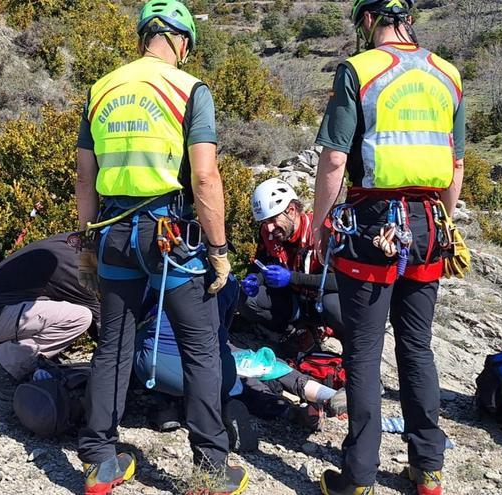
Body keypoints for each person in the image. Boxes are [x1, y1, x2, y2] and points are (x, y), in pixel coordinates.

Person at [74, 1, 246, 493]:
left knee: (113, 347)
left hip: (113, 233)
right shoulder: (190, 90)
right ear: (182, 41)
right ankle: (212, 468)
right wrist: (218, 248)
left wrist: (88, 243)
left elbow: (86, 179)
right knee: (200, 347)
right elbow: (206, 176)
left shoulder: (101, 89)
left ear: (144, 36)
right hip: (171, 236)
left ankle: (100, 461)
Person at [312, 1, 465, 494]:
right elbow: (455, 166)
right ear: (409, 20)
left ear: (367, 21)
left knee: (363, 352)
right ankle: (428, 467)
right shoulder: (448, 73)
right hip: (427, 225)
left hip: (372, 225)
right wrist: (443, 222)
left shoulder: (359, 70)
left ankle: (358, 476)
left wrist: (319, 223)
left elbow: (336, 158)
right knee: (417, 347)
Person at [134, 275, 347, 436]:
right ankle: (326, 396)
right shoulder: (227, 281)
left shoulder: (158, 275)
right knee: (256, 364)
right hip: (205, 350)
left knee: (235, 381)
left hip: (155, 366)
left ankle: (168, 406)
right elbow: (221, 333)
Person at [0, 233, 100, 400]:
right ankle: (0, 366)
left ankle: (6, 349)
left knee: (73, 312)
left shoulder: (74, 244)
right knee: (81, 317)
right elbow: (98, 320)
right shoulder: (77, 264)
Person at [238, 178, 344, 346]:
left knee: (333, 305)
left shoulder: (323, 232)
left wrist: (292, 278)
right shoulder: (269, 234)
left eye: (273, 219)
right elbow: (260, 263)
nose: (269, 228)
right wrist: (255, 278)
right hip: (294, 301)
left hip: (322, 302)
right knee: (246, 300)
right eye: (265, 222)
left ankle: (343, 341)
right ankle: (294, 332)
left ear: (292, 210)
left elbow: (343, 282)